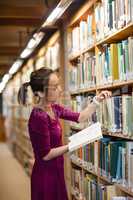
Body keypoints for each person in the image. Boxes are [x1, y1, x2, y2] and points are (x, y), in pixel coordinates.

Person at [18, 67, 111, 200]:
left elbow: (80, 117)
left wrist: (97, 100)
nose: (60, 90)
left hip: (57, 170)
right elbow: (45, 155)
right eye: (55, 87)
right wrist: (72, 145)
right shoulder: (38, 116)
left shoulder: (54, 108)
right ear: (40, 93)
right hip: (46, 176)